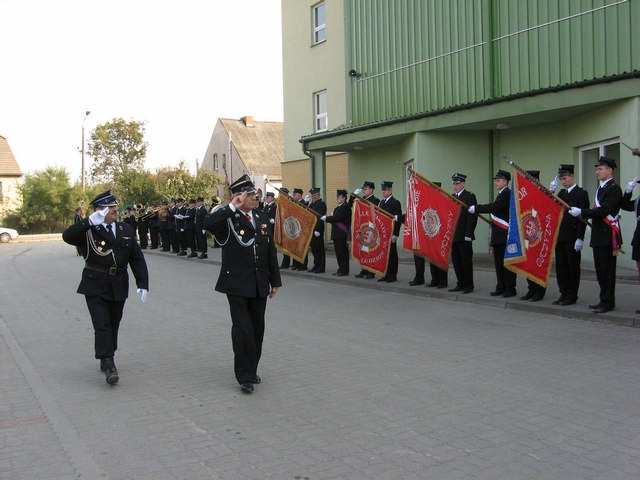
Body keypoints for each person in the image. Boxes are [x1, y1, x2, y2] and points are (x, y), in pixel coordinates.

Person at [62, 190, 149, 385]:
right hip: (95, 283)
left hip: (118, 282)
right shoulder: (88, 230)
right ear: (99, 210)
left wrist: (143, 283)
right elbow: (67, 236)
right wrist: (89, 221)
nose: (115, 211)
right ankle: (108, 362)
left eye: (115, 208)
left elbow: (137, 258)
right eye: (110, 208)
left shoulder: (125, 229)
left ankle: (108, 353)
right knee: (101, 324)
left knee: (114, 322)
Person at [205, 175, 282, 394]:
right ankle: (244, 375)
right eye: (249, 194)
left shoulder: (261, 215)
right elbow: (207, 224)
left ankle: (252, 368)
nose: (254, 197)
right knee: (243, 330)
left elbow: (270, 249)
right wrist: (231, 207)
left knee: (257, 329)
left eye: (254, 194)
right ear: (237, 196)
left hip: (259, 282)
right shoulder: (228, 217)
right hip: (237, 283)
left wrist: (275, 280)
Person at [568, 156, 622, 314]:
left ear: (610, 170)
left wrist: (583, 212)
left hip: (607, 236)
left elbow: (604, 210)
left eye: (600, 168)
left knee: (607, 271)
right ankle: (603, 299)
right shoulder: (602, 187)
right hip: (599, 235)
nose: (596, 171)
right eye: (596, 168)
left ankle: (608, 302)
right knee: (600, 270)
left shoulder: (614, 188)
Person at [469, 169, 517, 297]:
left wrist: (477, 208)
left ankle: (510, 289)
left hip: (505, 235)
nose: (496, 182)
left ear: (506, 182)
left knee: (507, 264)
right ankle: (501, 286)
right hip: (498, 235)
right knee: (499, 264)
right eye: (496, 180)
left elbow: (495, 207)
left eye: (499, 180)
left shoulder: (507, 193)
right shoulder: (501, 194)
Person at [549, 164, 589, 306]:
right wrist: (550, 192)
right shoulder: (561, 194)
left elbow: (583, 219)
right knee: (561, 266)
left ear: (572, 176)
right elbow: (552, 209)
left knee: (572, 266)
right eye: (561, 179)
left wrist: (580, 237)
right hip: (560, 236)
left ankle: (572, 295)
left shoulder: (581, 193)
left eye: (565, 178)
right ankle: (563, 293)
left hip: (572, 236)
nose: (563, 181)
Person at [519, 171, 547, 302]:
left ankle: (539, 291)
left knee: (538, 263)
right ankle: (531, 289)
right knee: (529, 263)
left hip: (539, 234)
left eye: (529, 179)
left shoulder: (543, 193)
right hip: (528, 234)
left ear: (536, 180)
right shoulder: (526, 194)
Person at [449, 173, 477, 294]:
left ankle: (468, 285)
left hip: (464, 235)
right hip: (454, 235)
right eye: (454, 184)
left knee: (466, 261)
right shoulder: (451, 197)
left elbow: (472, 217)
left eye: (458, 183)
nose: (455, 186)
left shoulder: (469, 196)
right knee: (456, 260)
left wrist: (469, 234)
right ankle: (460, 283)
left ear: (463, 184)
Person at [353, 181, 379, 279]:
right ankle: (364, 269)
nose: (364, 191)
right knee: (363, 250)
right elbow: (352, 205)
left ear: (371, 189)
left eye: (366, 189)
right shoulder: (361, 199)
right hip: (362, 228)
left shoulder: (375, 200)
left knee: (370, 251)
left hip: (370, 229)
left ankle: (371, 272)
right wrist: (355, 195)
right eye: (363, 189)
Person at [321, 189, 351, 276]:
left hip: (342, 234)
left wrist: (327, 218)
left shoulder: (345, 208)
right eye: (337, 197)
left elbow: (338, 218)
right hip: (337, 234)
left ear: (344, 198)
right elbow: (335, 219)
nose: (337, 198)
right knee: (338, 253)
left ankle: (344, 270)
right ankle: (340, 269)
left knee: (343, 253)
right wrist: (329, 218)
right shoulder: (338, 208)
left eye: (339, 197)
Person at [377, 181, 403, 282]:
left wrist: (396, 234)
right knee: (384, 255)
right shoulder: (382, 202)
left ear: (390, 190)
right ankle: (385, 274)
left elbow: (398, 220)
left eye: (385, 190)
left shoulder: (395, 202)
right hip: (383, 233)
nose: (383, 192)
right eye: (383, 190)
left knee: (392, 255)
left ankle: (392, 275)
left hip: (391, 233)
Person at [308, 187, 327, 273]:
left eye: (314, 195)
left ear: (318, 195)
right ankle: (316, 265)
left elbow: (320, 218)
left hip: (317, 230)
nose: (313, 197)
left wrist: (318, 230)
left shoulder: (321, 204)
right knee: (314, 249)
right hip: (311, 229)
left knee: (319, 249)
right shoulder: (312, 204)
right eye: (312, 195)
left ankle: (321, 267)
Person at [291, 188, 309, 271]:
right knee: (295, 248)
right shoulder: (295, 202)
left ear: (299, 195)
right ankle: (296, 264)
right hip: (295, 228)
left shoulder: (303, 203)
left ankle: (303, 265)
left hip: (301, 229)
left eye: (294, 195)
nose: (293, 196)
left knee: (301, 248)